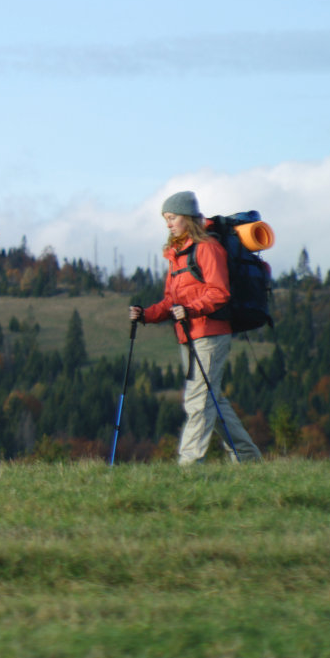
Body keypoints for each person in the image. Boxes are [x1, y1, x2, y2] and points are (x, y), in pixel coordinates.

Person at [130, 190, 262, 465]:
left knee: (198, 400)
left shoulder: (208, 248)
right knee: (212, 400)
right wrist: (145, 314)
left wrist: (190, 309)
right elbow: (170, 301)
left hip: (211, 334)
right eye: (166, 218)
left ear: (187, 217)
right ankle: (248, 459)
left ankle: (189, 465)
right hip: (188, 336)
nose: (168, 223)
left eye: (172, 217)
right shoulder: (176, 255)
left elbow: (220, 292)